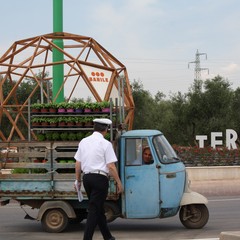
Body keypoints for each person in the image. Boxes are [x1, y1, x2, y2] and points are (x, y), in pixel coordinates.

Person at [74, 118, 123, 240]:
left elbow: (78, 163)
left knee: (98, 208)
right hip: (99, 179)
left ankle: (108, 237)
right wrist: (119, 182)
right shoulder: (106, 144)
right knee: (94, 209)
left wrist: (78, 180)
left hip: (87, 178)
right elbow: (111, 166)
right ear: (106, 130)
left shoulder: (84, 142)